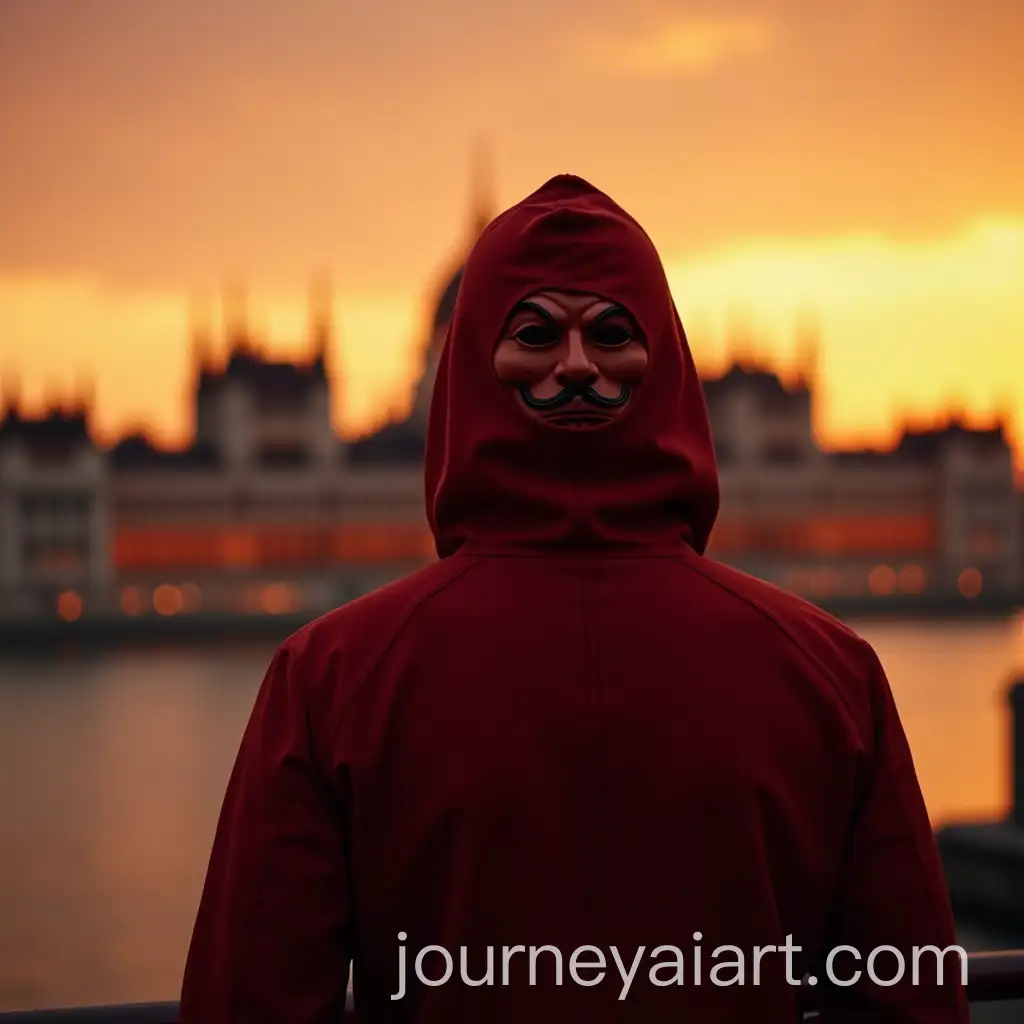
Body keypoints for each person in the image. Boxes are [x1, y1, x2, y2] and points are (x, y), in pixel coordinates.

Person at [179, 175, 969, 1022]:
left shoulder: (332, 679)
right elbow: (913, 997)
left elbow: (248, 998)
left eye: (609, 334)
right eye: (537, 334)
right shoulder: (829, 673)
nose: (578, 364)